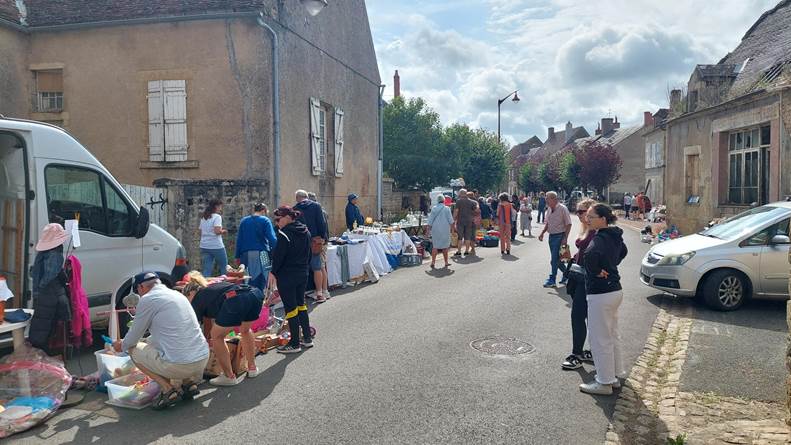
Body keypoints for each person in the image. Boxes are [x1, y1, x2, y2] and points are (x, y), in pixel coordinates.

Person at [113, 272, 209, 410]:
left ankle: (167, 389)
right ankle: (188, 384)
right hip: (202, 360)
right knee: (164, 341)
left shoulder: (148, 299)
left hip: (180, 366)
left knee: (132, 349)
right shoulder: (177, 295)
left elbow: (133, 337)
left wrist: (121, 345)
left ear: (141, 287)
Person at [579, 204, 628, 395]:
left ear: (603, 219)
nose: (587, 219)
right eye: (587, 216)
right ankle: (613, 375)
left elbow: (589, 256)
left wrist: (598, 271)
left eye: (591, 216)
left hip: (601, 293)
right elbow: (623, 252)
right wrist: (610, 265)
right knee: (612, 335)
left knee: (600, 338)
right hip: (614, 290)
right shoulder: (614, 235)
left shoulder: (600, 238)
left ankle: (604, 382)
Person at [182, 272, 263, 386]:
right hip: (254, 294)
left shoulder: (196, 299)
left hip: (235, 299)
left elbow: (195, 328)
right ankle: (252, 368)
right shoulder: (211, 288)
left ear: (190, 293)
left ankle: (228, 376)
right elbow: (208, 322)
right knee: (245, 330)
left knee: (217, 337)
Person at [270, 206, 314, 354]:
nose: (277, 223)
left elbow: (278, 256)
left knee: (291, 308)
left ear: (288, 217)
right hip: (302, 273)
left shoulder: (284, 233)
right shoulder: (305, 230)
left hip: (287, 275)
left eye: (278, 219)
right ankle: (307, 338)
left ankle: (294, 343)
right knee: (301, 305)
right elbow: (309, 254)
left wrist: (273, 272)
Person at [561, 199, 597, 371]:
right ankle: (591, 351)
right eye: (577, 211)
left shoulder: (597, 231)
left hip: (588, 279)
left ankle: (577, 354)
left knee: (578, 316)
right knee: (586, 316)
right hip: (579, 276)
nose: (579, 215)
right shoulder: (586, 229)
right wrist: (574, 257)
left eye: (582, 211)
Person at [29, 223, 72, 355]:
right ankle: (43, 356)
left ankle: (39, 355)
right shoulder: (55, 255)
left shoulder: (43, 253)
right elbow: (50, 275)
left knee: (40, 326)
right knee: (45, 330)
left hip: (43, 295)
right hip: (50, 295)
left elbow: (36, 273)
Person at [295, 190, 329, 303]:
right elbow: (321, 223)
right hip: (315, 240)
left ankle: (302, 294)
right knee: (317, 267)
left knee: (302, 268)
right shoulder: (316, 206)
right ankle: (319, 293)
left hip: (301, 242)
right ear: (306, 197)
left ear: (297, 198)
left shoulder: (295, 208)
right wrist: (322, 237)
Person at [235, 203, 277, 290]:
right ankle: (258, 297)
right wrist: (277, 250)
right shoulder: (265, 220)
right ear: (263, 211)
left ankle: (246, 296)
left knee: (246, 280)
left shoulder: (244, 221)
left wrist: (237, 256)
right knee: (261, 279)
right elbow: (272, 239)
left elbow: (239, 239)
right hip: (261, 253)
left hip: (245, 254)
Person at [538, 191, 572, 288]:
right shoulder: (549, 209)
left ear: (554, 199)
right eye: (546, 198)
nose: (546, 200)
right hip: (551, 236)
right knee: (558, 260)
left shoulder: (562, 208)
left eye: (547, 198)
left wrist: (565, 238)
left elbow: (569, 224)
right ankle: (567, 275)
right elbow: (548, 223)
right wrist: (542, 233)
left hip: (560, 236)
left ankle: (552, 279)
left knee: (554, 260)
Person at [200, 199, 228, 277]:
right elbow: (217, 231)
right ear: (216, 206)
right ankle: (224, 283)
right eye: (220, 207)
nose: (221, 209)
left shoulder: (204, 217)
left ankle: (204, 283)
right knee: (224, 267)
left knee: (207, 269)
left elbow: (201, 232)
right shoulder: (217, 217)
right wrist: (223, 231)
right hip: (216, 246)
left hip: (204, 245)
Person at [426, 194, 454, 268]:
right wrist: (453, 230)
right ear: (444, 200)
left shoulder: (434, 208)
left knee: (435, 246)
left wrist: (427, 231)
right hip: (445, 229)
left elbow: (430, 221)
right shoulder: (447, 208)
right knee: (445, 247)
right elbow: (451, 221)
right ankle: (446, 262)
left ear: (437, 200)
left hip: (435, 230)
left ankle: (433, 262)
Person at [452, 189, 478, 257]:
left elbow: (456, 211)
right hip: (469, 221)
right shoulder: (472, 202)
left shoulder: (458, 201)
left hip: (460, 221)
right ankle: (466, 251)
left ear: (461, 194)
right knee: (467, 237)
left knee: (460, 237)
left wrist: (453, 219)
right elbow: (476, 210)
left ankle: (459, 251)